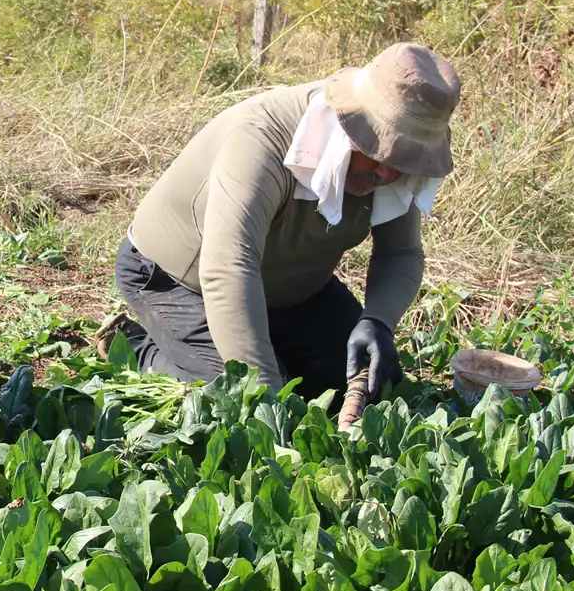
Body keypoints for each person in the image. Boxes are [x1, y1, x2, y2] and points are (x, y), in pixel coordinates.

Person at [98, 42, 460, 403]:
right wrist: (268, 399)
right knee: (236, 393)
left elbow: (401, 253)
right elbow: (229, 268)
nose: (385, 172)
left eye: (401, 159)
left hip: (291, 289)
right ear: (349, 122)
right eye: (375, 150)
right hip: (178, 281)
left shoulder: (393, 170)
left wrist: (377, 321)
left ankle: (273, 347)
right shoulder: (263, 139)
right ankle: (133, 345)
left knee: (375, 386)